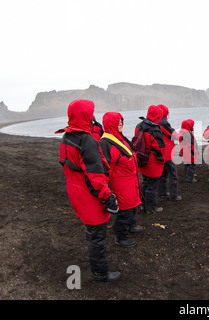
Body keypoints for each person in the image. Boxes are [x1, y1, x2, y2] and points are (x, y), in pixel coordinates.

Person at [55, 99, 121, 282]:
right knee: (97, 235)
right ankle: (101, 273)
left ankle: (99, 270)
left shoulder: (67, 137)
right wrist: (109, 198)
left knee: (92, 232)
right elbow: (95, 176)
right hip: (88, 194)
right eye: (90, 112)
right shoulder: (87, 141)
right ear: (85, 114)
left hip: (75, 190)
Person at [99, 112, 142, 248]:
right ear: (111, 124)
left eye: (122, 121)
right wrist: (106, 189)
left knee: (132, 206)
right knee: (125, 210)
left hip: (130, 180)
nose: (121, 124)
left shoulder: (119, 138)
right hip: (121, 183)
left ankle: (130, 226)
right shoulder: (106, 143)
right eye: (118, 122)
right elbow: (105, 168)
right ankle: (120, 236)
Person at [135, 105, 166, 214]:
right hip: (152, 161)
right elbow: (159, 148)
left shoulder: (139, 125)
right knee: (152, 185)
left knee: (146, 182)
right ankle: (151, 208)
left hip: (142, 157)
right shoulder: (154, 129)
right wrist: (162, 159)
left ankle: (143, 205)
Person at [156, 104, 182, 201]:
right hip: (167, 153)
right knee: (173, 175)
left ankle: (162, 192)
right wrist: (181, 138)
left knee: (163, 174)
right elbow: (173, 134)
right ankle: (173, 196)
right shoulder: (163, 122)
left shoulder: (155, 122)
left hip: (160, 152)